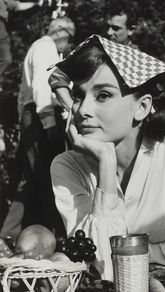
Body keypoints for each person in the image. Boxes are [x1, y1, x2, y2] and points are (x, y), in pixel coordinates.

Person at [50, 35, 165, 280]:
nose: (82, 110)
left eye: (103, 95)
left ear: (142, 107)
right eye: (79, 96)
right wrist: (106, 163)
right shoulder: (67, 166)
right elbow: (98, 264)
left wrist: (125, 257)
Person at [0, 16, 76, 239]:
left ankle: (16, 234)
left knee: (33, 176)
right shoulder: (45, 47)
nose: (69, 45)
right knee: (45, 176)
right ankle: (34, 234)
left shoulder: (40, 47)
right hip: (40, 115)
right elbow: (42, 87)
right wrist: (49, 123)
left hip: (34, 116)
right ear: (62, 32)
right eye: (70, 38)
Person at [48, 5, 138, 114]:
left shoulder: (138, 59)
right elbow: (56, 77)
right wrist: (74, 111)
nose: (109, 32)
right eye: (107, 26)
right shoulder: (92, 50)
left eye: (116, 28)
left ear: (131, 30)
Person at [0, 0, 41, 92]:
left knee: (6, 59)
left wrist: (36, 4)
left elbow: (19, 5)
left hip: (1, 31)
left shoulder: (3, 2)